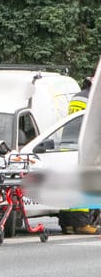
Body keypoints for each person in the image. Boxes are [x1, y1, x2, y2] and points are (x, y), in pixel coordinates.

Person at [60, 76, 99, 234]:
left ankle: (67, 224)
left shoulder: (79, 96)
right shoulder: (93, 99)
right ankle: (81, 224)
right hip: (82, 146)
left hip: (66, 145)